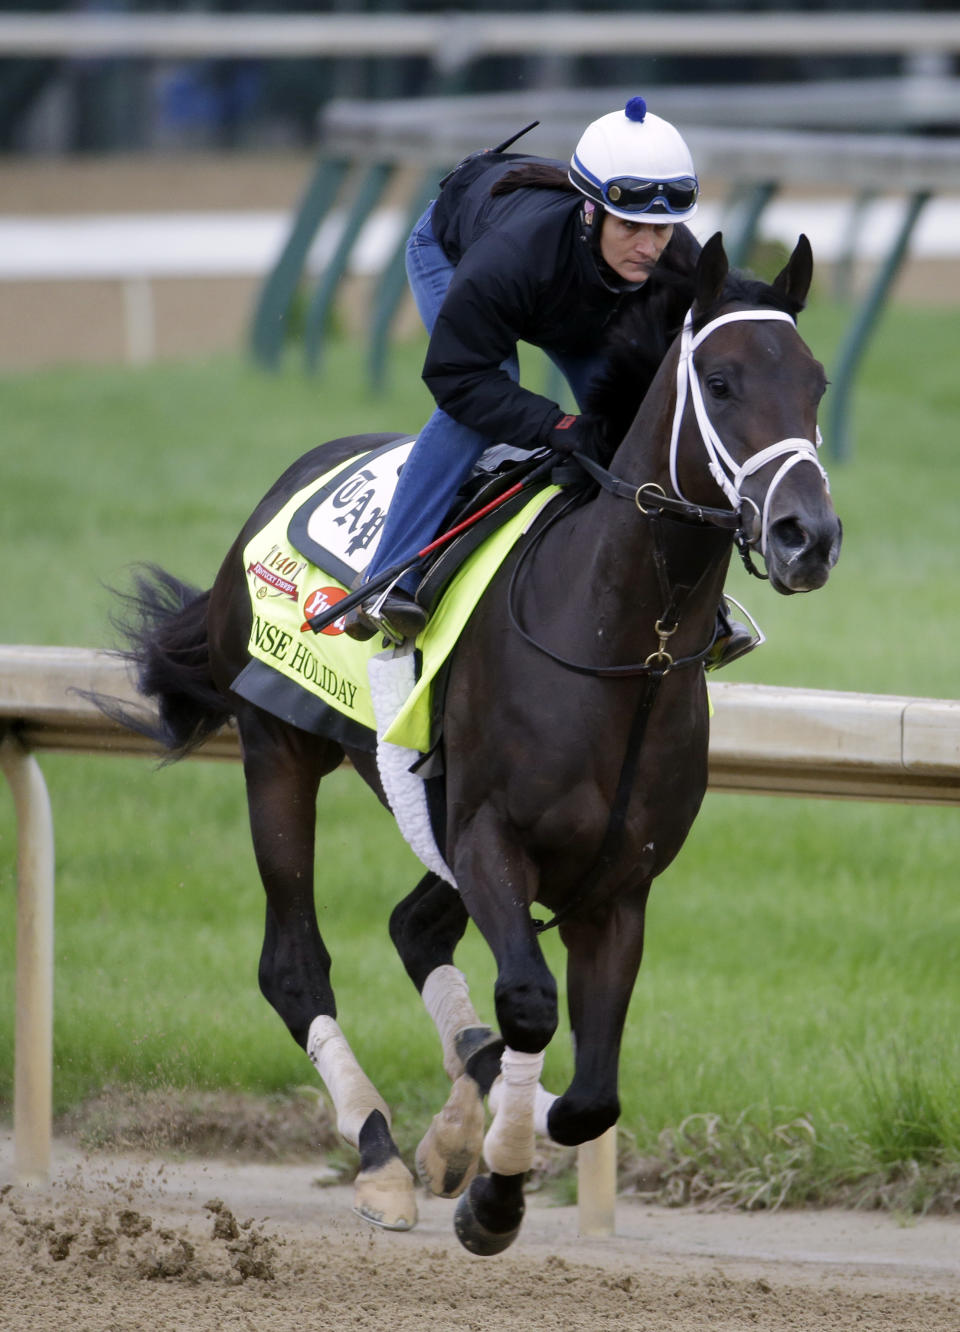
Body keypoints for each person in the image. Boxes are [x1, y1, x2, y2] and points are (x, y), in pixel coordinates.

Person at [345, 96, 751, 666]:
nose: (649, 247)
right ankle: (391, 575)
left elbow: (731, 320)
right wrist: (560, 427)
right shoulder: (511, 256)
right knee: (487, 395)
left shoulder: (668, 254)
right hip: (455, 252)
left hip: (574, 302)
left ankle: (693, 604)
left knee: (638, 421)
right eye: (632, 225)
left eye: (662, 229)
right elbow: (458, 379)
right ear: (591, 211)